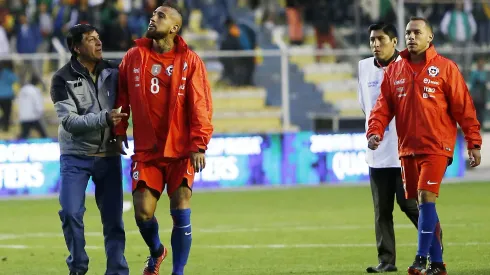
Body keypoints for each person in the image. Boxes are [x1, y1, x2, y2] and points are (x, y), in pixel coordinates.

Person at [367, 17, 482, 275]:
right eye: (408, 32)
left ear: (430, 37)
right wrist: (374, 132)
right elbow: (382, 108)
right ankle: (438, 264)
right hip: (407, 149)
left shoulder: (445, 68)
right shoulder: (395, 71)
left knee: (424, 197)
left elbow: (464, 108)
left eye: (417, 32)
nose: (411, 36)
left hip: (436, 147)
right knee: (421, 204)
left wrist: (473, 142)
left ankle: (420, 258)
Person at [114, 2, 213, 275]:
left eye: (161, 15)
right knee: (143, 212)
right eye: (153, 14)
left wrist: (199, 145)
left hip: (181, 151)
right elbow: (121, 97)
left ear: (174, 27)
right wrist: (120, 129)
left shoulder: (190, 61)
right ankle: (157, 251)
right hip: (147, 151)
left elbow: (200, 105)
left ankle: (177, 272)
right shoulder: (134, 56)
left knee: (181, 204)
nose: (153, 18)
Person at [50, 24, 129, 275]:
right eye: (90, 39)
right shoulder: (62, 78)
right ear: (76, 47)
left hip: (108, 155)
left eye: (98, 37)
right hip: (75, 157)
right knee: (71, 212)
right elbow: (70, 123)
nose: (98, 42)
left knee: (114, 220)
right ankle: (78, 265)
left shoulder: (115, 69)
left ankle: (117, 271)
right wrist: (105, 118)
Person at [358, 22, 419, 273]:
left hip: (404, 151)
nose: (375, 44)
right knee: (382, 211)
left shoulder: (408, 66)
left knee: (410, 206)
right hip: (377, 154)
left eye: (381, 39)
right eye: (372, 39)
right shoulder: (363, 67)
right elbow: (365, 105)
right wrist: (373, 132)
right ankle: (386, 261)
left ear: (394, 42)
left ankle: (433, 244)